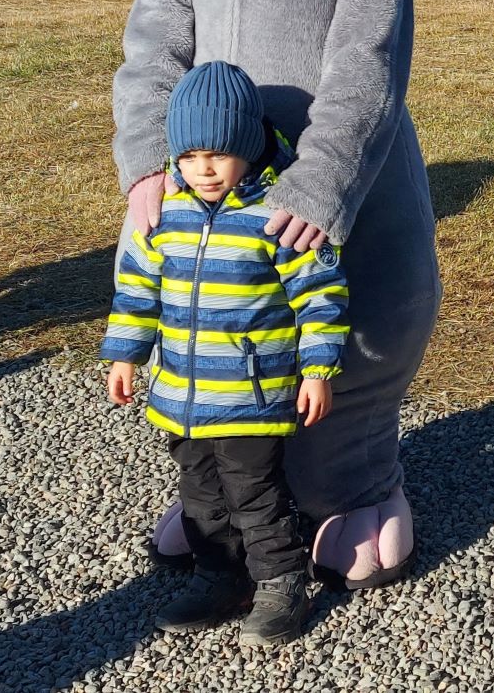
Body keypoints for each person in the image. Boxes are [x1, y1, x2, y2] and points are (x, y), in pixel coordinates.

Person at [100, 61, 344, 648]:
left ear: (248, 144)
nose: (202, 169)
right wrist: (126, 355)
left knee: (255, 494)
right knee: (200, 495)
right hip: (181, 393)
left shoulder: (277, 214)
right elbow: (138, 289)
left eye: (217, 154)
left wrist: (318, 369)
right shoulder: (167, 215)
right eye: (187, 157)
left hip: (250, 396)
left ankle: (281, 582)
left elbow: (319, 295)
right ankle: (218, 576)